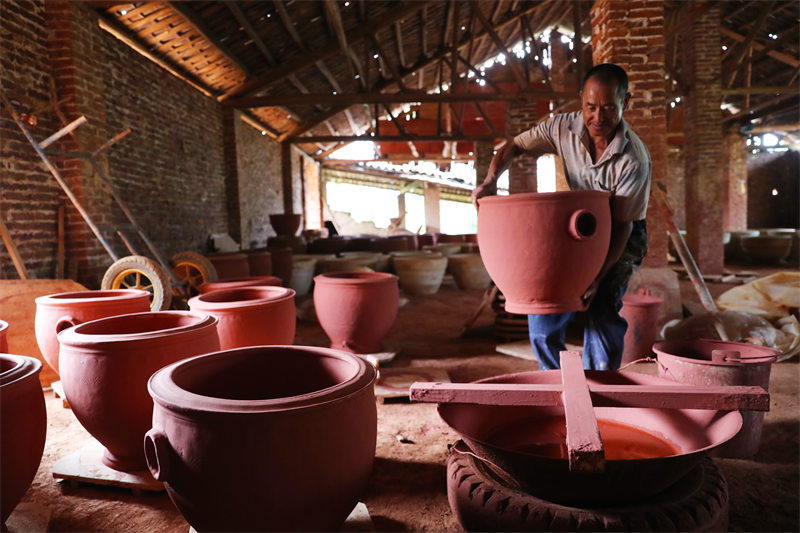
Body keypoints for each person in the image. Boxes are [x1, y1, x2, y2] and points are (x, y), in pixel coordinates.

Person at [472, 63, 651, 371]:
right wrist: (490, 181)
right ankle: (559, 386)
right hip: (576, 227)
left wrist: (596, 277)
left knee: (601, 312)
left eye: (609, 108)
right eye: (590, 107)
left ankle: (599, 391)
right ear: (581, 99)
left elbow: (622, 224)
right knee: (544, 313)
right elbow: (514, 146)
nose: (598, 118)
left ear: (626, 102)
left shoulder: (633, 159)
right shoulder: (561, 128)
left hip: (621, 233)